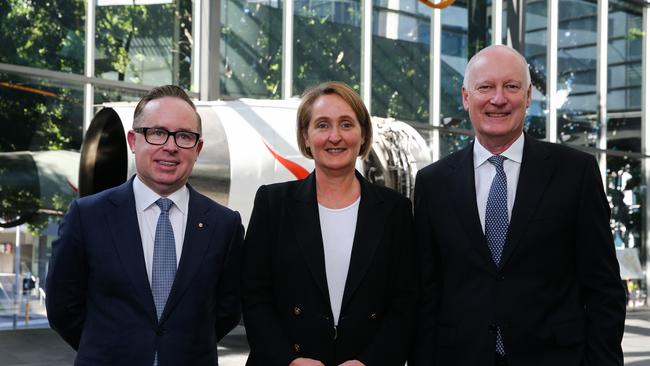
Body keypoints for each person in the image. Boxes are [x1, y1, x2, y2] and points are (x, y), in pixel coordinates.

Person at [410, 45, 626, 366]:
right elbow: (427, 293)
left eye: (511, 86)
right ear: (467, 97)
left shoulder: (575, 173)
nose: (498, 98)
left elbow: (604, 288)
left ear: (527, 97)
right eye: (485, 87)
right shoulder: (432, 183)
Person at [46, 85, 243, 365]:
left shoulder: (224, 225)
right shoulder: (87, 216)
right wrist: (108, 348)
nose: (170, 146)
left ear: (197, 149)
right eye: (157, 133)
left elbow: (227, 310)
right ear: (133, 140)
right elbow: (62, 308)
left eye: (184, 136)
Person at [242, 81, 417, 366]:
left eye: (346, 124)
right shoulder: (273, 204)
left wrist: (369, 362)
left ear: (362, 135)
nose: (335, 136)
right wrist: (290, 360)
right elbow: (254, 297)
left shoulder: (394, 210)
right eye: (322, 125)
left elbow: (405, 303)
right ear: (306, 137)